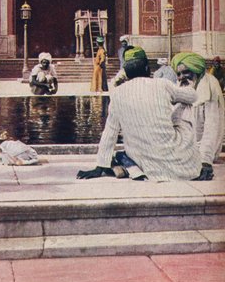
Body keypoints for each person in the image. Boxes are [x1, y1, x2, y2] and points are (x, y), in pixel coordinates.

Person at [77, 47, 204, 182]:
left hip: (145, 163)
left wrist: (100, 166)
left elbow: (110, 133)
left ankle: (131, 169)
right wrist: (188, 84)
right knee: (184, 103)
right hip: (181, 163)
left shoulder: (117, 94)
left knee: (120, 155)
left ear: (126, 73)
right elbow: (193, 97)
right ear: (147, 68)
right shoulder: (163, 84)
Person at [172, 52, 225, 180]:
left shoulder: (210, 85)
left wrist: (205, 160)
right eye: (178, 74)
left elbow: (212, 128)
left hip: (201, 154)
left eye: (186, 72)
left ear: (196, 71)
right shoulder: (181, 88)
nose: (181, 77)